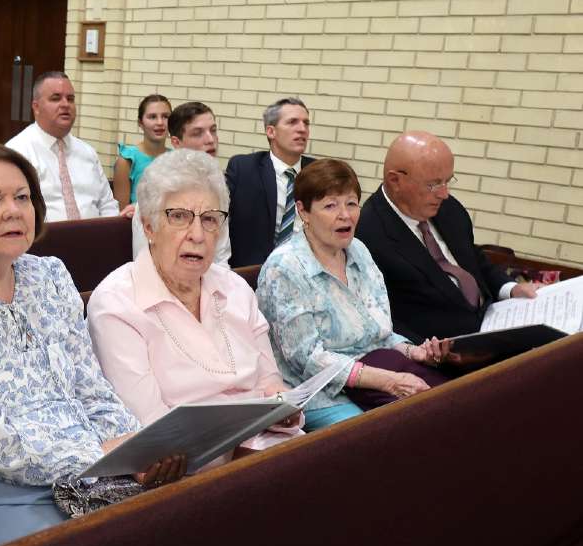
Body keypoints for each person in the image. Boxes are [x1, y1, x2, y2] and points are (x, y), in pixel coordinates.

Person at [0, 143, 185, 546]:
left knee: (177, 528)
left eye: (22, 197)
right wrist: (96, 458)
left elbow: (91, 386)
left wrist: (134, 449)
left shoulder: (50, 275)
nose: (14, 210)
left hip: (91, 466)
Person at [89, 149, 302, 456]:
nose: (198, 235)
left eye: (210, 219)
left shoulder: (236, 289)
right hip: (199, 468)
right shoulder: (117, 305)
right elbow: (152, 426)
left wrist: (286, 408)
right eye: (179, 217)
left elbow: (271, 382)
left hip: (273, 447)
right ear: (149, 227)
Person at [257, 159, 452, 431]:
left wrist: (413, 351)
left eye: (351, 203)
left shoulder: (358, 250)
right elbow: (309, 360)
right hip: (320, 394)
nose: (345, 215)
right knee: (382, 434)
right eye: (330, 205)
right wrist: (389, 381)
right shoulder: (285, 267)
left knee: (448, 409)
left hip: (379, 372)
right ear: (303, 211)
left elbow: (379, 331)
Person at [355, 132, 537, 343]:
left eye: (447, 181)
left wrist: (511, 288)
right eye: (433, 184)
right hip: (443, 354)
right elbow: (379, 317)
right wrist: (428, 353)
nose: (444, 194)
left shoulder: (449, 210)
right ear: (395, 180)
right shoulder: (367, 233)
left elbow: (474, 260)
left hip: (495, 323)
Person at [5, 72, 119, 221]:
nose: (65, 104)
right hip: (42, 241)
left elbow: (107, 205)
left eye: (70, 99)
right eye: (56, 98)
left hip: (95, 239)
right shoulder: (17, 152)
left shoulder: (87, 152)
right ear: (36, 107)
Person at [129, 103, 230, 264]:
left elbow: (221, 258)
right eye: (198, 133)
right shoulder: (157, 189)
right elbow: (147, 261)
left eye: (213, 130)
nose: (210, 140)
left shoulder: (215, 186)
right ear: (176, 143)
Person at [225, 97, 314, 267]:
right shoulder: (244, 169)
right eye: (292, 122)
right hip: (252, 272)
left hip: (304, 271)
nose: (302, 129)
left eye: (306, 123)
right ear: (271, 131)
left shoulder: (317, 171)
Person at [113, 94, 171, 208]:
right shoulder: (127, 160)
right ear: (140, 123)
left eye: (165, 116)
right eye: (152, 117)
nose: (160, 122)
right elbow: (121, 214)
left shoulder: (176, 159)